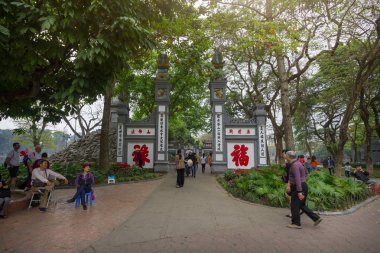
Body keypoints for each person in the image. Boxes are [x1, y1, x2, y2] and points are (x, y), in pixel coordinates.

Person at [284, 150, 322, 229]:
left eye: (286, 155)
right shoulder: (299, 163)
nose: (285, 156)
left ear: (288, 157)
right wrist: (302, 182)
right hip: (303, 185)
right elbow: (306, 173)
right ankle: (316, 218)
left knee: (294, 205)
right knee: (301, 205)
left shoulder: (294, 165)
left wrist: (299, 191)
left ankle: (296, 223)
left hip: (299, 187)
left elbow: (297, 179)